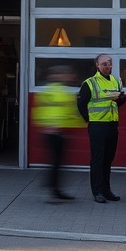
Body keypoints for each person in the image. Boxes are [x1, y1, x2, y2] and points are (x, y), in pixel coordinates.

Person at [77, 54, 126, 203]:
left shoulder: (116, 81)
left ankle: (106, 190)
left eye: (109, 64)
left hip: (112, 125)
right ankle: (97, 191)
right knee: (98, 160)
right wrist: (88, 119)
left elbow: (119, 100)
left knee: (108, 160)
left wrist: (122, 99)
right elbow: (81, 104)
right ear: (97, 65)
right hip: (97, 126)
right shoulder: (90, 83)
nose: (107, 66)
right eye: (104, 64)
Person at [32, 65, 82, 201]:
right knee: (57, 162)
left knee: (56, 162)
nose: (71, 77)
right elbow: (67, 112)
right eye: (68, 74)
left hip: (52, 132)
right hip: (55, 133)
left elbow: (38, 112)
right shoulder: (61, 92)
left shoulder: (48, 91)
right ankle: (53, 189)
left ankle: (54, 188)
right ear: (60, 75)